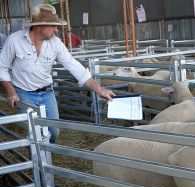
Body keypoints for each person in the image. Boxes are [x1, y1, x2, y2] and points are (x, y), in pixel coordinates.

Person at [0, 4, 115, 143]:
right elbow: (2, 67)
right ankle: (39, 163)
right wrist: (11, 91)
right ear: (39, 26)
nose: (56, 29)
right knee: (34, 134)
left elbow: (73, 65)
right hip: (24, 93)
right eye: (52, 25)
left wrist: (99, 89)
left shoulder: (55, 43)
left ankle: (45, 158)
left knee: (53, 132)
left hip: (47, 93)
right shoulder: (14, 40)